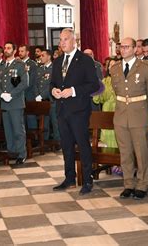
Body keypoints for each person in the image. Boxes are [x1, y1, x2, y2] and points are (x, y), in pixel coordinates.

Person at [50, 28, 100, 195]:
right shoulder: (57, 62)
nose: (62, 42)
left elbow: (94, 85)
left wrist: (74, 90)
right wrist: (53, 91)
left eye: (65, 39)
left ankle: (87, 180)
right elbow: (52, 83)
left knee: (83, 145)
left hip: (79, 111)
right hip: (62, 110)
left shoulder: (85, 60)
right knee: (66, 146)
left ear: (74, 41)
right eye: (60, 40)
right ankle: (69, 178)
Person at [110, 37, 148, 200]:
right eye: (121, 47)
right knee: (125, 152)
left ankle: (142, 184)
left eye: (127, 47)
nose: (123, 49)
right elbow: (116, 91)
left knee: (141, 152)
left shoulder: (145, 67)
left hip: (139, 113)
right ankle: (128, 183)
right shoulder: (114, 68)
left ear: (136, 49)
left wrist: (145, 111)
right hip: (121, 114)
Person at [0, 42, 29, 164]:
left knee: (18, 130)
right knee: (8, 130)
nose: (6, 50)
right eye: (5, 48)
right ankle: (12, 151)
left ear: (14, 51)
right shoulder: (2, 66)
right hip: (4, 102)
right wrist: (1, 94)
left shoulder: (20, 65)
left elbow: (24, 83)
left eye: (9, 48)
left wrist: (11, 94)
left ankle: (21, 153)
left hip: (15, 103)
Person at [93, 58, 118, 148]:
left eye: (115, 65)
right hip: (107, 113)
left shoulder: (125, 81)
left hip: (120, 113)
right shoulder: (104, 82)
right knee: (108, 137)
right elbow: (97, 99)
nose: (112, 67)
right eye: (110, 66)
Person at [18, 44, 39, 130]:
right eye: (19, 51)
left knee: (30, 118)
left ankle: (34, 140)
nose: (20, 53)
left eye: (22, 51)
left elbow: (31, 81)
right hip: (19, 95)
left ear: (27, 52)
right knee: (21, 118)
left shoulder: (32, 64)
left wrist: (20, 89)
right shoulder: (18, 64)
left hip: (29, 94)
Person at [35, 49, 54, 140]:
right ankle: (44, 141)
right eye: (40, 56)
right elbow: (35, 84)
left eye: (43, 55)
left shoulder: (54, 69)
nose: (40, 57)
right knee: (44, 123)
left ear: (49, 57)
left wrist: (42, 95)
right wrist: (37, 94)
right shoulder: (39, 69)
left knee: (55, 123)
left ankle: (58, 143)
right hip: (41, 101)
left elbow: (52, 85)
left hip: (51, 100)